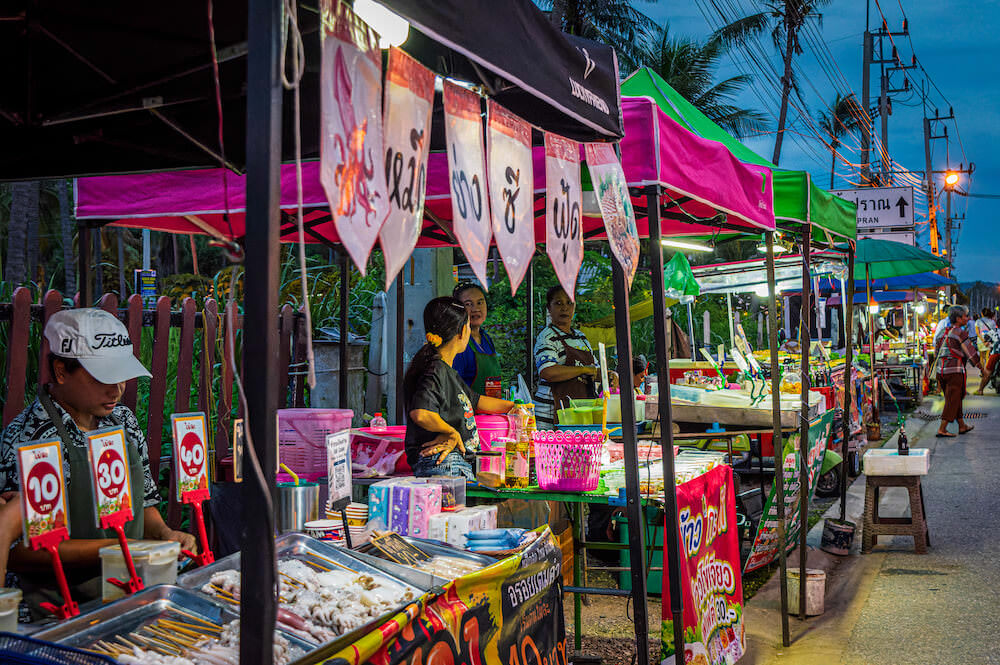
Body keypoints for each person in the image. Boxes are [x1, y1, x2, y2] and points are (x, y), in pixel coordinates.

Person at [0, 309, 195, 617]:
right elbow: (19, 551)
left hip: (128, 593)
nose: (116, 389)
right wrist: (118, 549)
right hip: (57, 609)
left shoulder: (122, 420)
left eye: (121, 376)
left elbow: (142, 502)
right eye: (103, 377)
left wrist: (165, 534)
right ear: (62, 371)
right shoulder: (33, 438)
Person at [404, 297, 515, 479]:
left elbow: (476, 400)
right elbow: (421, 414)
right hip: (445, 464)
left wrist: (515, 407)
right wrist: (451, 431)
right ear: (463, 331)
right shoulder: (434, 369)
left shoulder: (448, 372)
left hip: (456, 463)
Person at [533, 286, 616, 429]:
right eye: (558, 303)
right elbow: (548, 372)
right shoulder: (546, 337)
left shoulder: (581, 337)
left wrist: (609, 375)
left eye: (569, 303)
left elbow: (594, 371)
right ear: (549, 308)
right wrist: (583, 370)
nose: (564, 308)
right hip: (551, 417)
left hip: (579, 415)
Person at [935, 305, 979, 438]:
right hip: (954, 370)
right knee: (953, 399)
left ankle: (961, 425)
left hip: (940, 370)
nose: (968, 318)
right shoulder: (960, 332)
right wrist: (980, 366)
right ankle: (942, 428)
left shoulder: (942, 331)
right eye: (966, 316)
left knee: (954, 397)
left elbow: (937, 351)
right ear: (959, 318)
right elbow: (970, 351)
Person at [452, 283, 503, 398]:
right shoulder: (459, 342)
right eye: (468, 304)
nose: (476, 309)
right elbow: (454, 388)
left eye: (480, 302)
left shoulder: (486, 338)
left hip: (491, 408)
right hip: (469, 412)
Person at [975, 308, 1000, 394]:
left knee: (988, 371)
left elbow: (986, 337)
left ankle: (980, 390)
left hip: (996, 353)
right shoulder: (992, 323)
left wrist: (985, 341)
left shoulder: (995, 331)